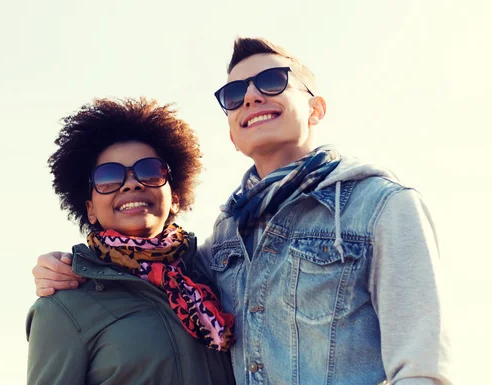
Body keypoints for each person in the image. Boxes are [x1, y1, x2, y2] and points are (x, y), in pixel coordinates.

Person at [32, 38, 452, 384]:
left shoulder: (381, 207)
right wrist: (61, 266)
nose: (251, 95)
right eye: (235, 94)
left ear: (316, 109)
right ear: (232, 132)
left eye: (272, 81)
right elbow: (137, 266)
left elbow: (422, 369)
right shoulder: (224, 242)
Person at [26, 97, 236, 385]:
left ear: (174, 197)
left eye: (150, 171)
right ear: (90, 208)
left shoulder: (219, 274)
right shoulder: (64, 306)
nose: (132, 184)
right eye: (109, 178)